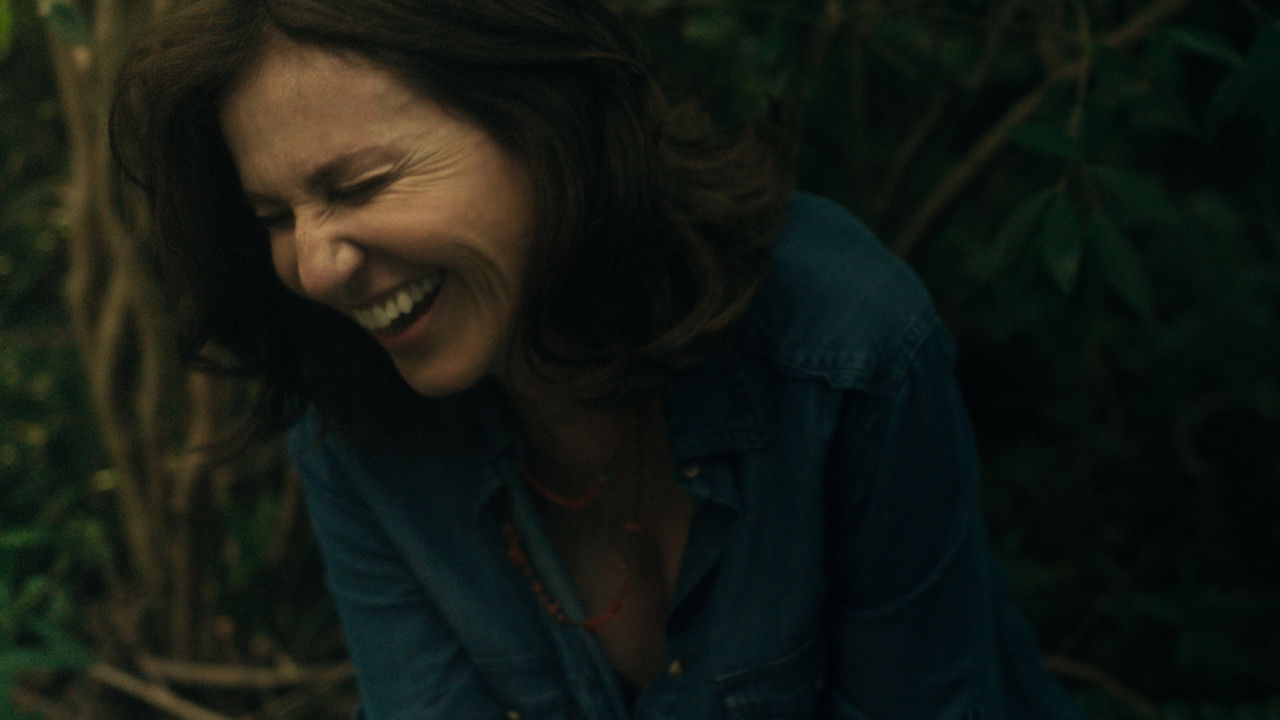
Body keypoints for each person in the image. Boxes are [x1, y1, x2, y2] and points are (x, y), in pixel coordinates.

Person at [111, 0, 1087, 718]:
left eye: (360, 184)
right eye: (274, 218)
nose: (317, 267)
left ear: (541, 121)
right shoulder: (356, 425)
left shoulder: (844, 349)